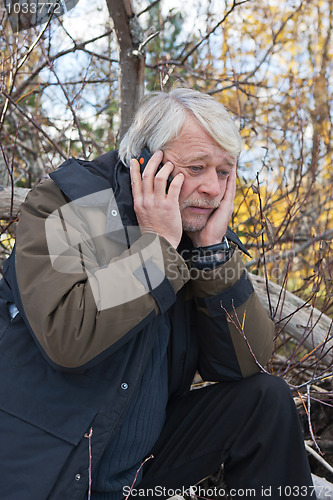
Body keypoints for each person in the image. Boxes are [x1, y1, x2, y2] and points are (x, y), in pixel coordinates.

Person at [0, 87, 315, 500]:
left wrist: (212, 255)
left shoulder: (194, 235)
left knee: (266, 401)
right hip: (48, 469)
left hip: (137, 474)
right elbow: (67, 336)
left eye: (224, 172)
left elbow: (245, 364)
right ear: (145, 161)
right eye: (197, 167)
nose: (213, 189)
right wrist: (158, 250)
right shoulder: (71, 203)